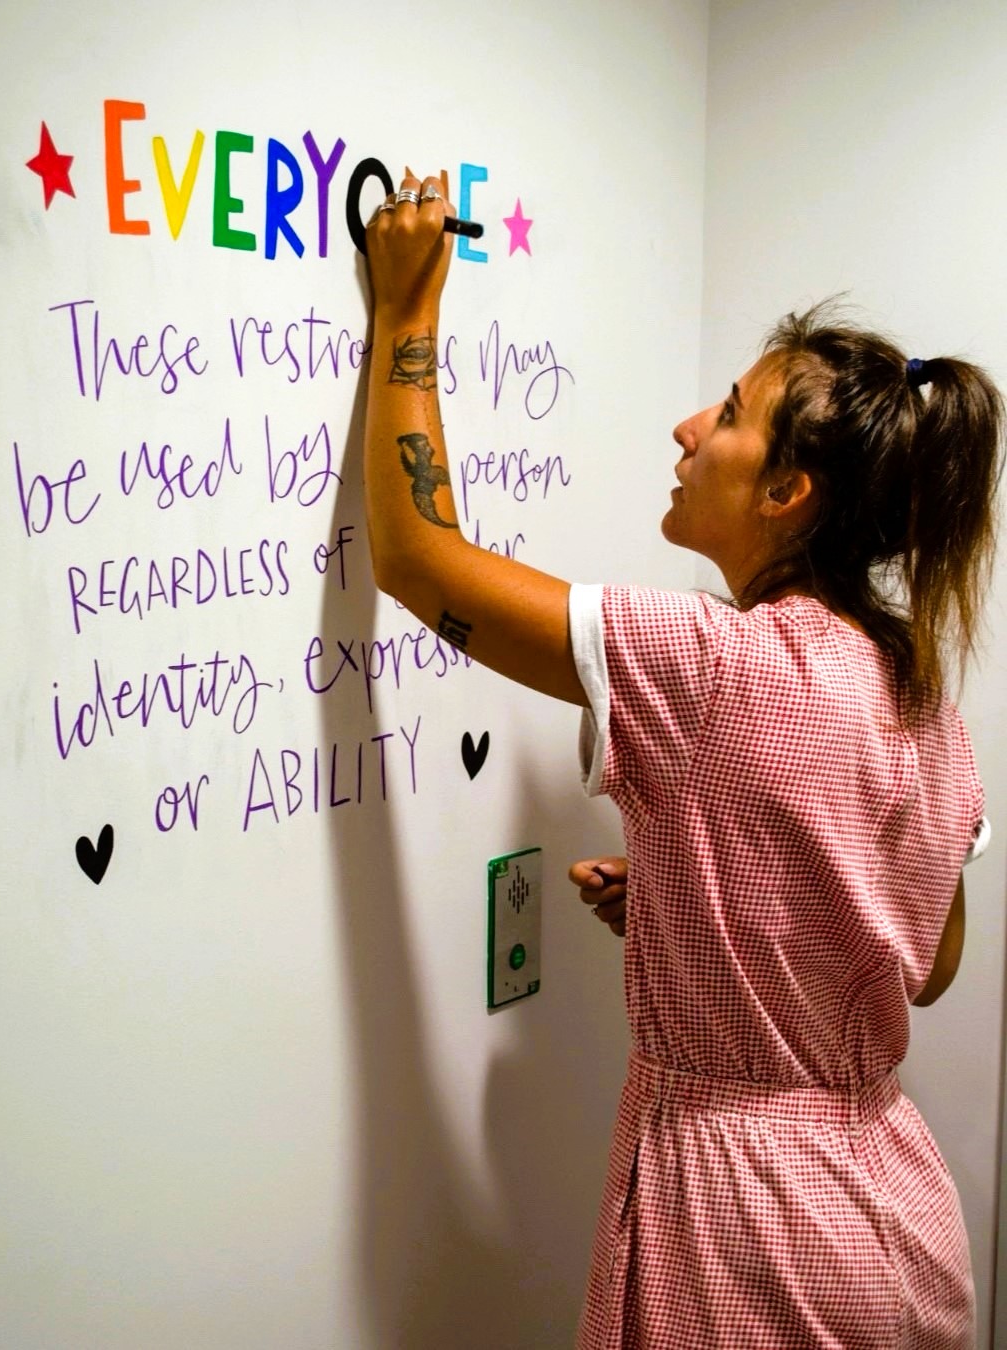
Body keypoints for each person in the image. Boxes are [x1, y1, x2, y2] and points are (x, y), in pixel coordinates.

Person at [362, 170, 1002, 1349]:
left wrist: (404, 315)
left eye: (728, 411)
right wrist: (701, 911)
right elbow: (924, 960)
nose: (687, 429)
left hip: (747, 1238)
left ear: (787, 491)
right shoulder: (917, 689)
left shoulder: (712, 664)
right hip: (896, 1232)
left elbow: (414, 558)